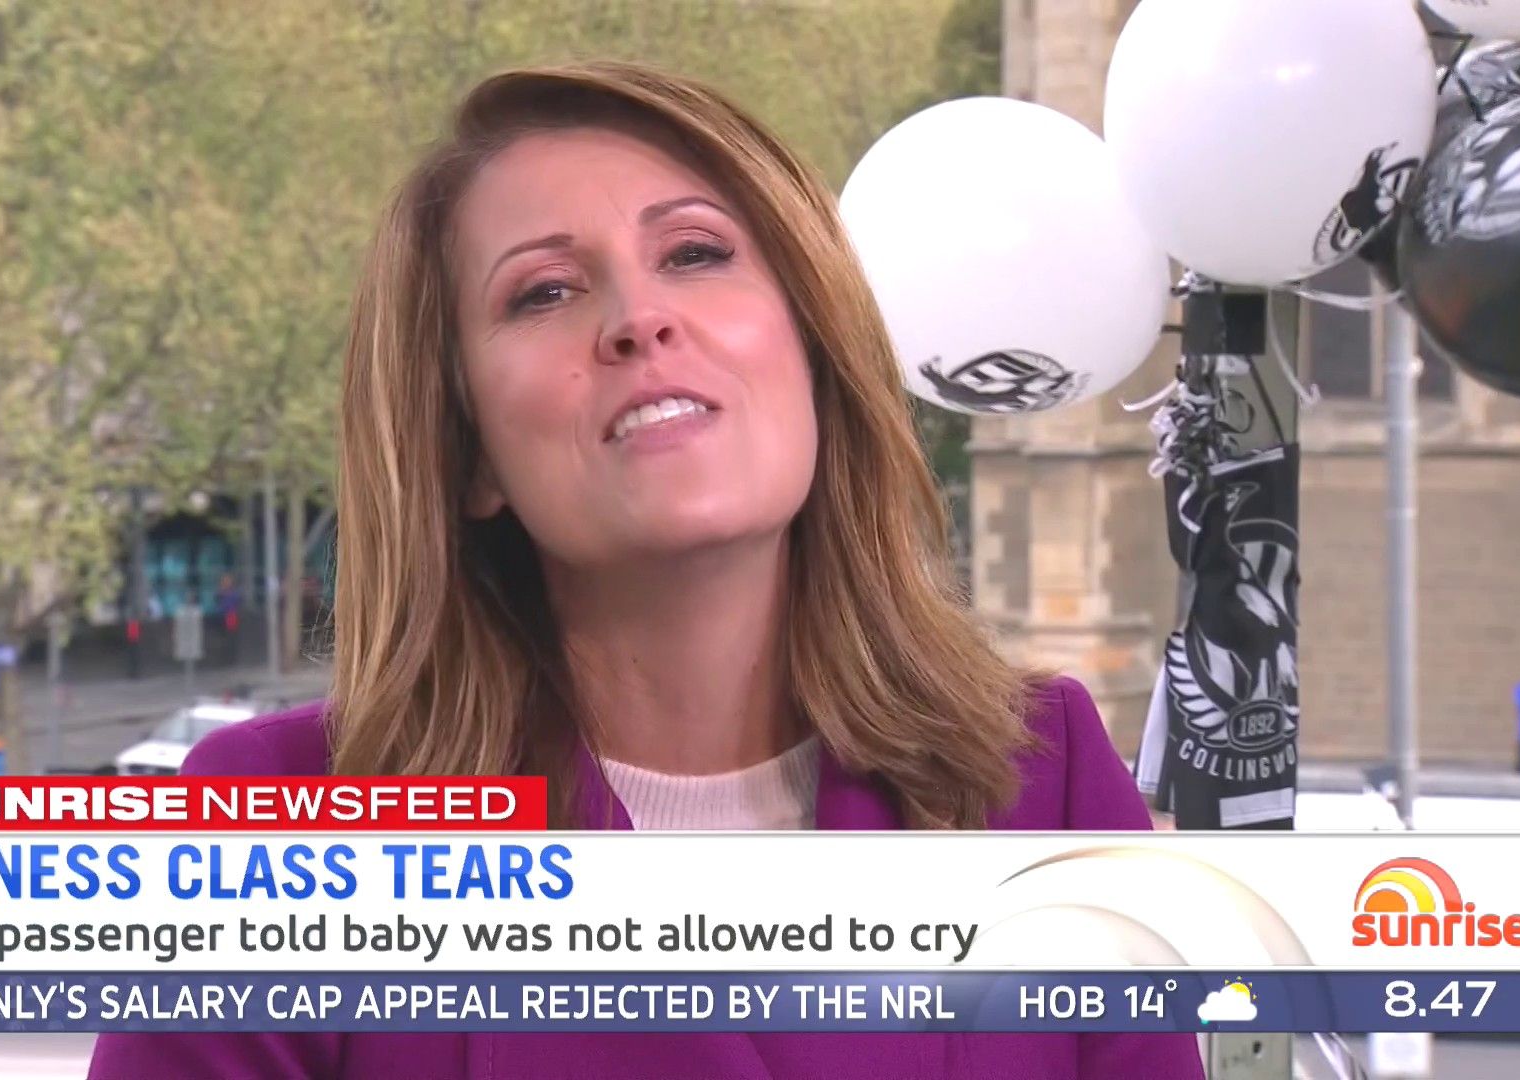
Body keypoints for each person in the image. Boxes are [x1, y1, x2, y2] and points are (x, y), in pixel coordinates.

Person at [90, 61, 1203, 1079]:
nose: (640, 319)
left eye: (695, 254)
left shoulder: (1044, 781)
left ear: (816, 347)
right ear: (469, 451)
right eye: (544, 292)